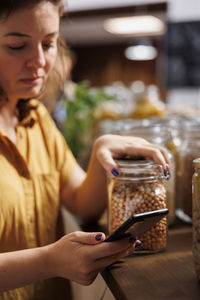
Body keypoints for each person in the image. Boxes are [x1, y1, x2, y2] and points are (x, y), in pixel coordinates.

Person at [0, 0, 169, 299]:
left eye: (49, 43)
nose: (39, 61)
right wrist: (49, 260)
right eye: (16, 46)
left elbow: (82, 203)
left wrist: (100, 150)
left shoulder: (36, 119)